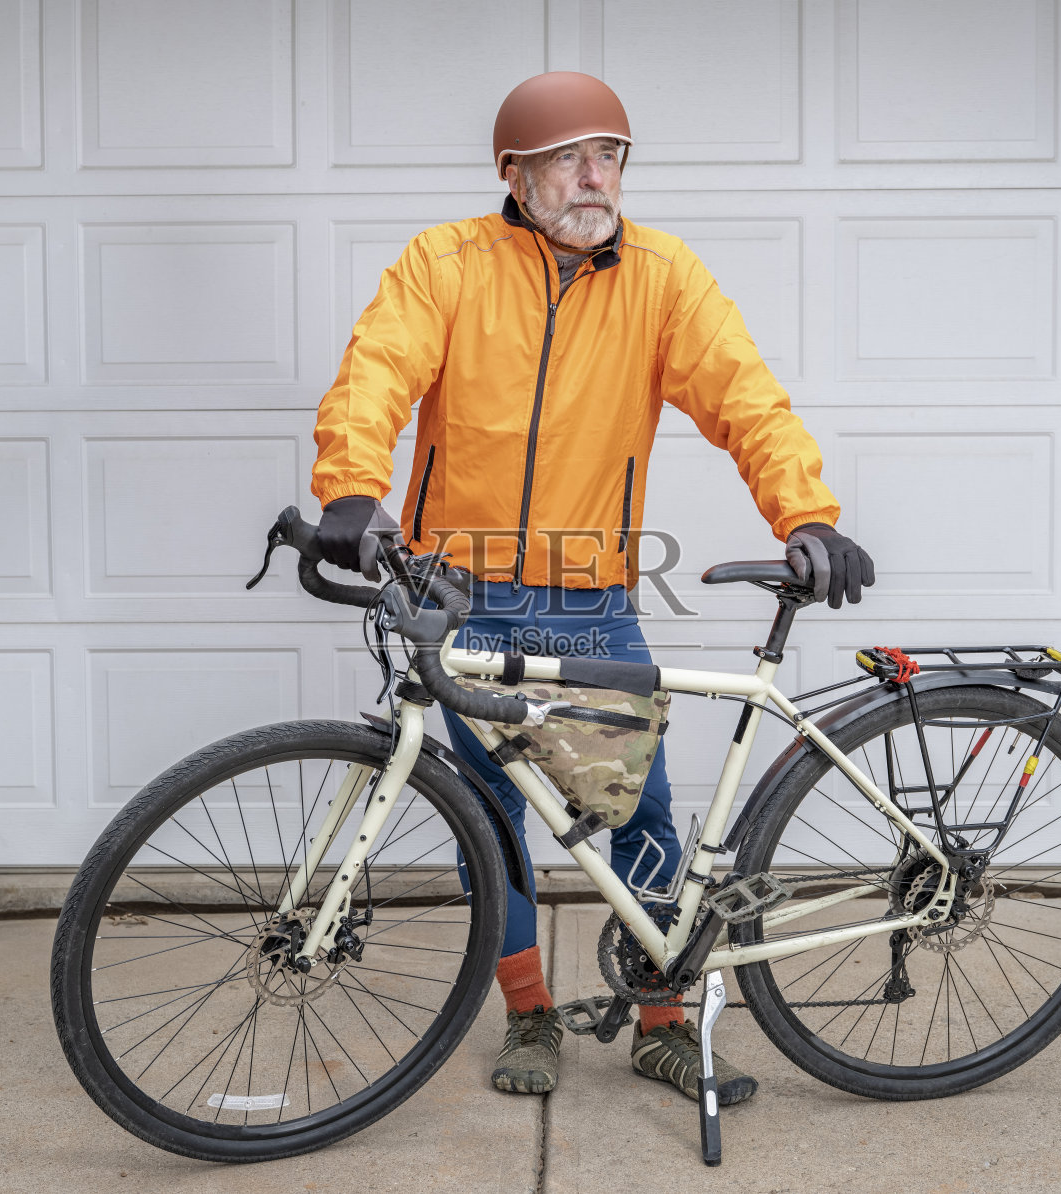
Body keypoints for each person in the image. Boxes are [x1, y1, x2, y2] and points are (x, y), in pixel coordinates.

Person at [310, 72, 874, 1106]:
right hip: (462, 594)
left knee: (639, 808)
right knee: (491, 817)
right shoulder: (447, 264)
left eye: (607, 155)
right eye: (566, 158)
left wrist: (805, 513)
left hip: (589, 598)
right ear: (514, 175)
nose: (592, 177)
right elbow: (376, 372)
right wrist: (350, 486)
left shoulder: (662, 278)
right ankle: (529, 1014)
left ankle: (661, 1020)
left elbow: (746, 399)